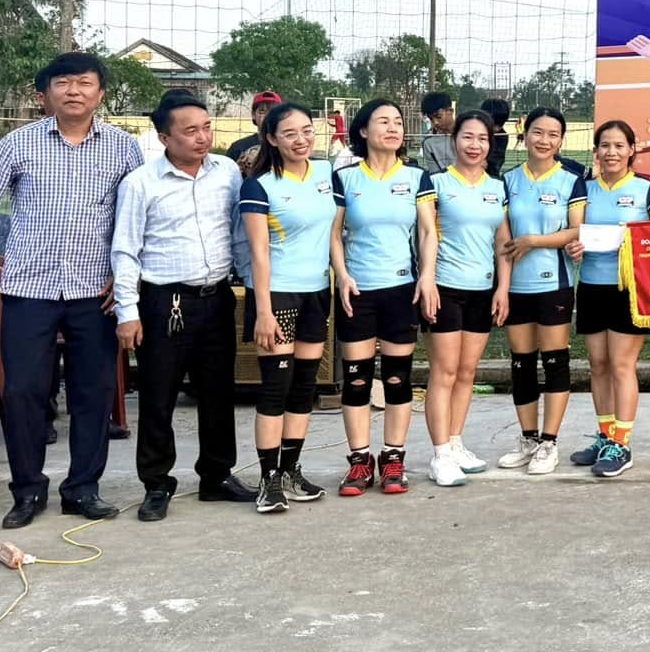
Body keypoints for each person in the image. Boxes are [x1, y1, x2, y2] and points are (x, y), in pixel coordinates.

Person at [0, 52, 144, 530]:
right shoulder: (18, 143)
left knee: (94, 392)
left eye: (84, 83)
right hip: (29, 287)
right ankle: (27, 489)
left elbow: (137, 216)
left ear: (100, 94)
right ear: (44, 94)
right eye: (63, 83)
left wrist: (127, 277)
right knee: (24, 390)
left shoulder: (125, 148)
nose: (73, 91)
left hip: (96, 290)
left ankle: (83, 488)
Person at [110, 92, 250, 521]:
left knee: (218, 392)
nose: (202, 137)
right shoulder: (141, 183)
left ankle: (216, 475)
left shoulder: (226, 172)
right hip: (164, 302)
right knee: (158, 395)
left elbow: (238, 233)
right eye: (190, 131)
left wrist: (252, 285)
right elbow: (125, 250)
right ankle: (156, 483)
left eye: (207, 128)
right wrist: (128, 312)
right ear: (164, 137)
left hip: (216, 297)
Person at [328, 99, 437, 498]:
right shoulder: (345, 178)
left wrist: (427, 277)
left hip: (400, 289)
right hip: (357, 290)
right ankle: (360, 461)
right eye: (383, 121)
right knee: (357, 379)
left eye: (397, 122)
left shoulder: (416, 177)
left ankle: (393, 457)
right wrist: (342, 275)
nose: (392, 128)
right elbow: (334, 234)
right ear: (363, 130)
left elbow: (427, 232)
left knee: (396, 377)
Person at [238, 103, 336, 514]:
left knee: (305, 386)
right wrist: (262, 311)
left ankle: (291, 470)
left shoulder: (326, 173)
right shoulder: (259, 186)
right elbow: (258, 253)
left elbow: (334, 232)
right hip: (276, 295)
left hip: (316, 293)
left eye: (307, 131)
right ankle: (269, 479)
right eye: (290, 133)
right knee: (275, 388)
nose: (301, 140)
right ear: (272, 138)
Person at [571, 120, 650, 478]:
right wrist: (573, 246)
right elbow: (573, 231)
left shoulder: (647, 190)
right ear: (596, 151)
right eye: (605, 146)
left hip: (629, 289)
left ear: (631, 150)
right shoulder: (584, 189)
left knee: (622, 365)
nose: (611, 152)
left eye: (618, 146)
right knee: (598, 365)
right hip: (591, 285)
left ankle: (622, 444)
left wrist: (638, 242)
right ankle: (606, 435)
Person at [423, 110, 510, 486]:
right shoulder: (436, 184)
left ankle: (456, 442)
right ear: (454, 140)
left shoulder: (497, 188)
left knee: (467, 372)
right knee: (443, 372)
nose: (475, 145)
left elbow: (503, 243)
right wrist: (427, 282)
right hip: (444, 288)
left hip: (482, 290)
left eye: (482, 139)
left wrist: (502, 288)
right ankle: (440, 453)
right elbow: (425, 236)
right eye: (468, 137)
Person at [495, 107, 585, 475]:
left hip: (554, 285)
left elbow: (576, 230)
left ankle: (549, 442)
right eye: (537, 132)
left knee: (554, 361)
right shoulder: (507, 181)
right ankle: (528, 438)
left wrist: (534, 241)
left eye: (552, 135)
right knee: (522, 364)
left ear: (561, 141)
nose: (544, 140)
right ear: (524, 133)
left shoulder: (570, 180)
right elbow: (502, 236)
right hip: (516, 286)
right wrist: (502, 287)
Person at [224, 91, 282, 170]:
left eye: (273, 112)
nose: (268, 116)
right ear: (253, 115)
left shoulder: (287, 146)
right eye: (262, 112)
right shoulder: (238, 148)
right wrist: (239, 167)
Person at [420, 92, 457, 174]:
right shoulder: (429, 143)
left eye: (438, 116)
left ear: (450, 111)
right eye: (431, 119)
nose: (435, 122)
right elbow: (435, 174)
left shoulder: (467, 136)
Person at [481, 97, 513, 173]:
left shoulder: (502, 136)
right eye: (494, 123)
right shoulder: (473, 131)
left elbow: (496, 162)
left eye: (501, 123)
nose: (497, 128)